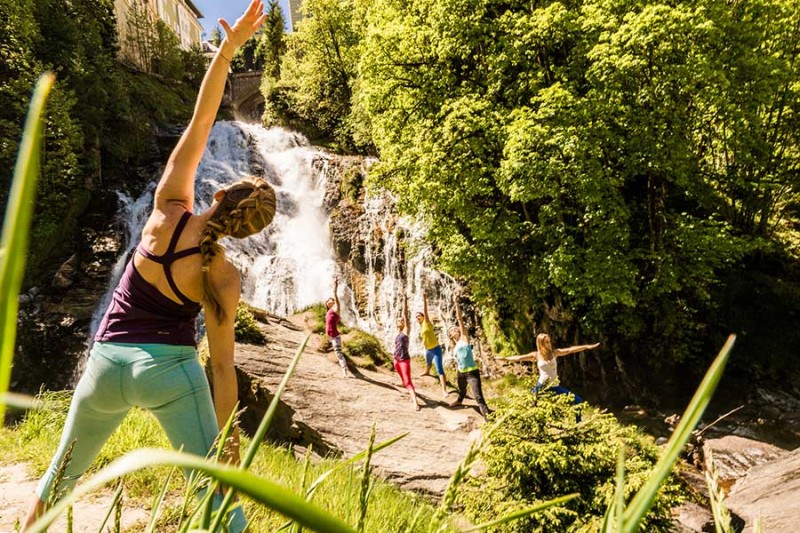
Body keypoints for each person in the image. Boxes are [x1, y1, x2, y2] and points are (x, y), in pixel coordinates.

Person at [23, 3, 271, 532]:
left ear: (221, 192)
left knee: (57, 480)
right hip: (170, 375)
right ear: (244, 230)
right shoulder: (224, 275)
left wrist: (226, 53)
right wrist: (227, 443)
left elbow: (202, 122)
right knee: (217, 499)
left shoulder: (165, 208)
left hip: (105, 365)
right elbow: (223, 368)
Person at [501, 333, 599, 421]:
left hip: (555, 387)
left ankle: (578, 425)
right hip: (541, 387)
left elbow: (570, 350)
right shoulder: (536, 355)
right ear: (541, 344)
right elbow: (519, 358)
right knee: (529, 405)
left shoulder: (554, 353)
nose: (549, 344)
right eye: (546, 342)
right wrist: (504, 358)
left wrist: (586, 347)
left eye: (549, 341)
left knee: (578, 400)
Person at [448, 295, 490, 417]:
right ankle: (459, 401)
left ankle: (488, 417)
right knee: (461, 390)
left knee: (478, 397)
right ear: (450, 335)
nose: (454, 330)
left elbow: (460, 319)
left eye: (455, 329)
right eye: (451, 330)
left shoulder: (464, 338)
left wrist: (456, 304)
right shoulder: (454, 346)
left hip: (472, 373)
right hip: (460, 372)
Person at [416, 291, 448, 397]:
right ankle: (427, 372)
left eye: (419, 316)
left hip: (436, 349)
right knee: (428, 363)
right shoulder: (421, 327)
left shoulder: (427, 323)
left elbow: (425, 310)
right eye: (416, 317)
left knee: (439, 369)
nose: (418, 318)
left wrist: (424, 298)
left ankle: (444, 389)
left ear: (423, 317)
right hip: (428, 349)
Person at [394, 290, 420, 411]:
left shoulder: (405, 331)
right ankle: (402, 382)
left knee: (408, 381)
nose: (401, 321)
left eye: (402, 321)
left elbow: (405, 315)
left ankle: (415, 402)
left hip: (404, 360)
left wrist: (404, 300)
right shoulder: (397, 333)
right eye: (399, 321)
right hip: (396, 359)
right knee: (402, 377)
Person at [325, 276, 349, 377]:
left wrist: (335, 285)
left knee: (339, 353)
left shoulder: (336, 309)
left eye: (332, 300)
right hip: (329, 336)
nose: (330, 301)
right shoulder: (328, 312)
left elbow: (335, 296)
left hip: (335, 336)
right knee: (332, 352)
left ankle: (345, 371)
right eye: (329, 300)